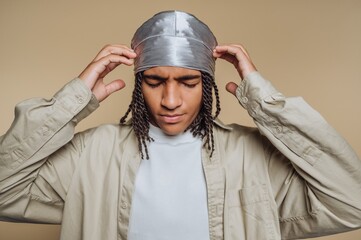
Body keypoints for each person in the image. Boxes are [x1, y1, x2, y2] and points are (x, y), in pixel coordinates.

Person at [0, 10, 360, 240]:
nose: (170, 100)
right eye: (154, 82)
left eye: (188, 83)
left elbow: (352, 203)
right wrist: (73, 100)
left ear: (208, 83)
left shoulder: (252, 157)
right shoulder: (92, 153)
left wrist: (266, 102)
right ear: (139, 83)